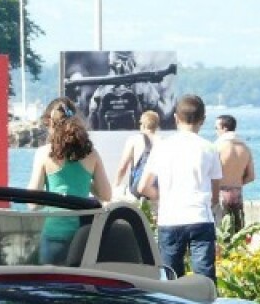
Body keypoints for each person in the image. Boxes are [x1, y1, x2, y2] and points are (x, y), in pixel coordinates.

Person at [138, 94, 221, 281]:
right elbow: (215, 194)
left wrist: (161, 197)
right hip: (200, 217)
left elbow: (143, 186)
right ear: (203, 120)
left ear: (175, 118)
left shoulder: (162, 147)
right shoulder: (209, 148)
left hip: (170, 218)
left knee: (170, 279)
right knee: (204, 280)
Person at [27, 98, 111, 263]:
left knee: (50, 286)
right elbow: (106, 194)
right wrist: (84, 180)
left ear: (50, 123)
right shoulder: (91, 153)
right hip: (83, 236)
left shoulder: (44, 153)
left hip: (54, 234)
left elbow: (33, 204)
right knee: (80, 287)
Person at [214, 114, 255, 233]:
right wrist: (236, 182)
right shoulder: (245, 148)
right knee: (238, 235)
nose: (216, 131)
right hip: (237, 193)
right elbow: (251, 176)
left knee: (221, 235)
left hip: (220, 193)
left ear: (224, 128)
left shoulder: (217, 147)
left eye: (216, 128)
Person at [113, 109, 160, 203]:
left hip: (137, 191)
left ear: (142, 125)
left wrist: (115, 186)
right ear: (157, 126)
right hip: (156, 192)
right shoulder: (163, 142)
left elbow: (123, 167)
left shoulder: (134, 140)